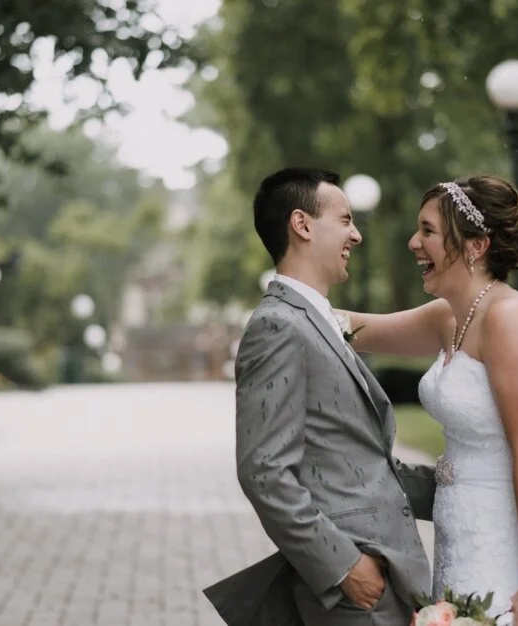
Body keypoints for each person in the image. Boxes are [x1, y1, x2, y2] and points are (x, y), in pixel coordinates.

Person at [337, 175, 518, 626]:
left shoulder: (511, 319)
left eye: (428, 232)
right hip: (459, 541)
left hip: (507, 550)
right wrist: (293, 292)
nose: (413, 243)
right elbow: (354, 329)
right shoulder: (452, 317)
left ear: (476, 246)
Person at [204, 168, 437, 626]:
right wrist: (344, 567)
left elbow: (355, 461)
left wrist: (465, 486)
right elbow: (263, 471)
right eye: (346, 219)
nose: (357, 234)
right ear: (303, 224)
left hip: (387, 575)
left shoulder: (313, 321)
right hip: (354, 588)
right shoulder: (278, 327)